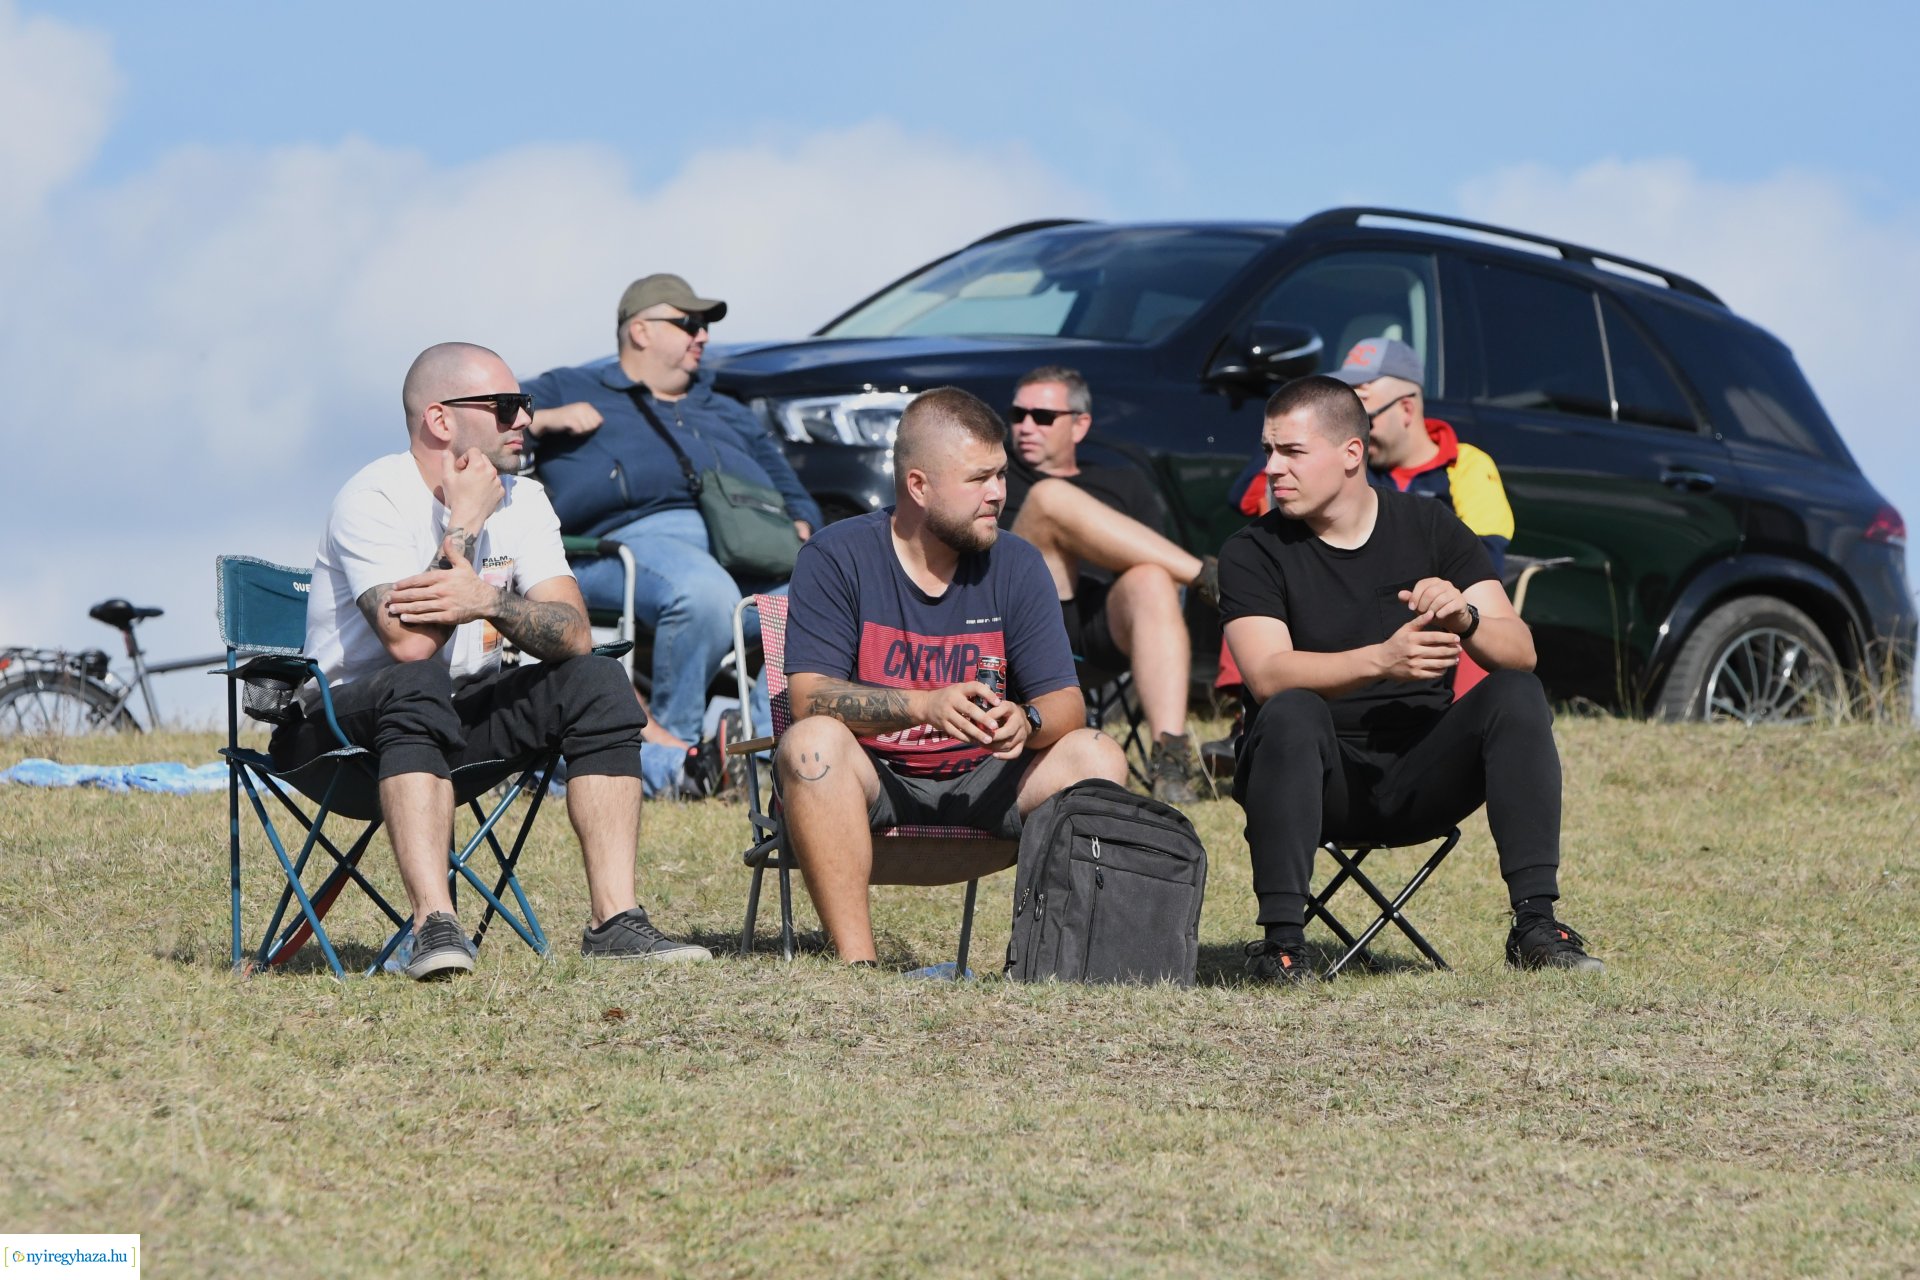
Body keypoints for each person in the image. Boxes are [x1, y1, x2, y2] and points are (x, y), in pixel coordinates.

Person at [273, 342, 711, 980]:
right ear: (440, 419)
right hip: (338, 736)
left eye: (523, 404)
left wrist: (488, 601)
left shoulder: (524, 499)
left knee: (596, 679)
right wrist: (465, 525)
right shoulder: (374, 498)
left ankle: (615, 922)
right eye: (505, 406)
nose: (524, 419)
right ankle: (433, 925)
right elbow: (411, 645)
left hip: (454, 721)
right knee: (416, 680)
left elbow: (574, 633)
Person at [1219, 375, 1601, 984]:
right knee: (1290, 708)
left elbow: (1521, 651)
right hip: (1317, 784)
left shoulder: (1431, 527)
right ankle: (1282, 945)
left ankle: (1536, 924)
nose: (1272, 468)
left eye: (1291, 451)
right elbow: (1266, 675)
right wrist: (1381, 660)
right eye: (1268, 450)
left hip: (1423, 776)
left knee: (1515, 692)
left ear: (1351, 453)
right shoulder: (1252, 551)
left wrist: (1465, 616)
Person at [778, 386, 1130, 964]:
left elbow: (1067, 702)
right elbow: (809, 699)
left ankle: (1058, 962)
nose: (998, 494)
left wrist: (1027, 720)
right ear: (919, 486)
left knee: (1097, 754)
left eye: (1001, 475)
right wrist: (923, 706)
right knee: (811, 745)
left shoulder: (1016, 563)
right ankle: (858, 964)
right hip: (875, 778)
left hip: (988, 781)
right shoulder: (838, 555)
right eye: (978, 479)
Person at [523, 274, 822, 797]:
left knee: (821, 599)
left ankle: (755, 753)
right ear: (640, 330)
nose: (702, 335)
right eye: (688, 323)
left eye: (703, 325)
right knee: (703, 593)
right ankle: (679, 763)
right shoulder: (571, 386)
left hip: (742, 547)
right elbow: (483, 425)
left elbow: (794, 490)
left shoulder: (725, 409)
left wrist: (800, 524)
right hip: (623, 547)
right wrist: (545, 420)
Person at [998, 366, 1219, 803]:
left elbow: (1151, 573)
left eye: (1043, 416)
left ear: (1080, 425)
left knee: (1152, 577)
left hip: (1098, 632)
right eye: (1018, 414)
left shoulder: (1123, 484)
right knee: (1049, 498)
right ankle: (1211, 579)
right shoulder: (999, 478)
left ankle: (1170, 757)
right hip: (1022, 627)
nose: (1025, 426)